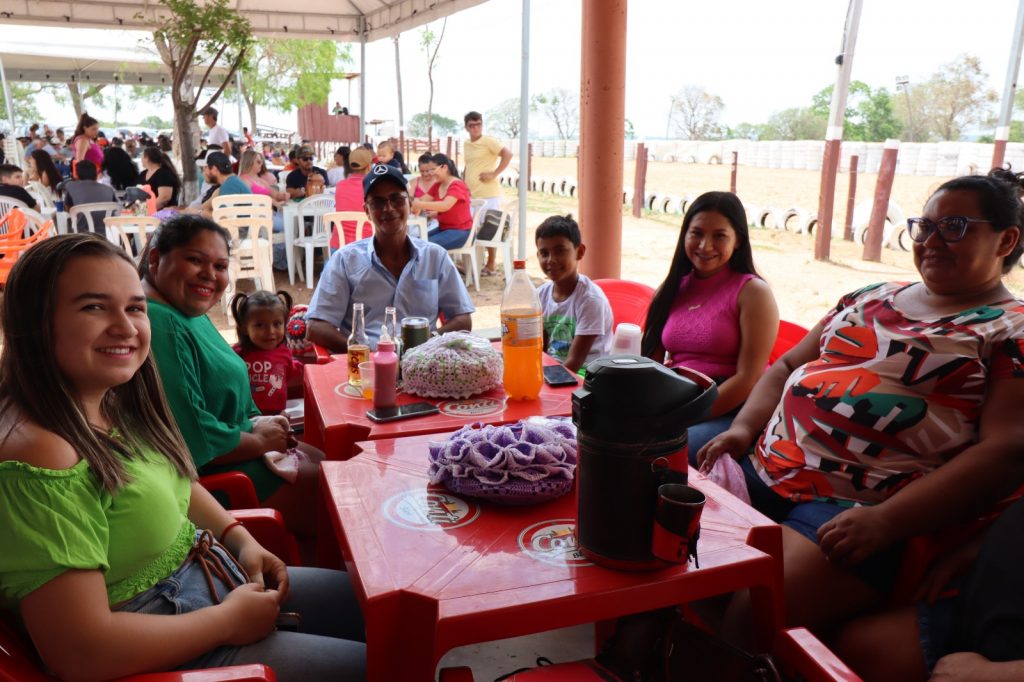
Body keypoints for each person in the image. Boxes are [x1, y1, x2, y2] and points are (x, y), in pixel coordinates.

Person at [0, 233, 366, 682]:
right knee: (386, 664)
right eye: (94, 307)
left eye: (135, 307)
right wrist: (226, 623)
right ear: (35, 323)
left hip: (213, 578)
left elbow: (176, 480)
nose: (127, 327)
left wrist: (239, 539)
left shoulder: (108, 397)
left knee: (381, 607)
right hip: (164, 647)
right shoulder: (41, 453)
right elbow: (80, 653)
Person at [697, 173, 1024, 650]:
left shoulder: (1010, 330)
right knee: (640, 511)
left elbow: (1007, 450)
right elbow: (788, 363)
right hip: (760, 467)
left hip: (857, 510)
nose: (931, 241)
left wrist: (887, 521)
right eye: (924, 226)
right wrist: (743, 428)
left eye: (954, 226)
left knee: (754, 607)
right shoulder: (869, 296)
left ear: (1006, 239)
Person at [142, 215, 325, 546]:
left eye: (220, 265)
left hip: (242, 446)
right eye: (195, 260)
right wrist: (258, 441)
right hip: (216, 478)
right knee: (343, 495)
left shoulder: (186, 313)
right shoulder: (161, 324)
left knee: (331, 462)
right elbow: (189, 437)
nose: (209, 274)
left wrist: (263, 424)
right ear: (156, 259)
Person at [641, 191, 779, 458]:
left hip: (734, 408)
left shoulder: (753, 292)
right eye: (697, 233)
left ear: (738, 240)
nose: (705, 246)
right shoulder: (670, 290)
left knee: (671, 451)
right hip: (678, 398)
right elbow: (653, 364)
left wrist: (683, 417)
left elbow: (748, 378)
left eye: (719, 235)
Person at [306, 164, 475, 352]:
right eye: (377, 202)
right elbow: (316, 327)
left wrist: (429, 343)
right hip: (366, 369)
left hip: (423, 365)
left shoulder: (434, 257)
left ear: (410, 204)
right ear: (367, 211)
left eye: (396, 199)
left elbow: (462, 319)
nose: (388, 208)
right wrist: (366, 355)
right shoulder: (346, 261)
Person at [535, 214, 613, 374]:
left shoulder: (590, 300)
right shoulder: (541, 294)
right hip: (553, 369)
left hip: (586, 376)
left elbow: (575, 362)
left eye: (560, 251)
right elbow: (539, 348)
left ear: (580, 252)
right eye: (544, 253)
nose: (551, 260)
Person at [231, 290, 304, 416]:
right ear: (244, 328)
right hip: (246, 417)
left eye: (277, 324)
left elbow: (290, 371)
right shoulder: (236, 355)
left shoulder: (284, 353)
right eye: (259, 325)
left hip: (277, 415)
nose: (270, 331)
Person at [463, 111, 512, 276]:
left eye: (478, 124)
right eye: (472, 125)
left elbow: (508, 154)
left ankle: (491, 264)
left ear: (482, 125)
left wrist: (494, 173)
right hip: (472, 195)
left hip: (488, 193)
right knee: (472, 229)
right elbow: (469, 165)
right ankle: (474, 263)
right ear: (466, 127)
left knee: (489, 229)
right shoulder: (467, 144)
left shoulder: (489, 141)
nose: (475, 128)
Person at [411, 153, 473, 250]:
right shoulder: (438, 185)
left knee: (424, 247)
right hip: (444, 228)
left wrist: (419, 204)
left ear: (444, 167)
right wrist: (415, 204)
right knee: (416, 242)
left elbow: (445, 205)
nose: (431, 173)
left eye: (433, 169)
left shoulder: (457, 185)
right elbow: (422, 199)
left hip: (461, 231)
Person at [332, 147, 374, 248]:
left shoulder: (339, 186)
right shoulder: (373, 187)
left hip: (339, 247)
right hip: (366, 248)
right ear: (369, 167)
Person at [62, 160, 118, 232]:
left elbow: (68, 208)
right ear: (96, 174)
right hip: (109, 233)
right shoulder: (108, 189)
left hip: (82, 234)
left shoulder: (71, 186)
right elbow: (116, 208)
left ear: (77, 175)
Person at [138, 146, 181, 210]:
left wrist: (145, 209)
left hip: (163, 212)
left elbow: (164, 198)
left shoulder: (164, 174)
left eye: (142, 157)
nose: (141, 160)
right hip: (144, 211)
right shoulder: (143, 174)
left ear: (147, 158)